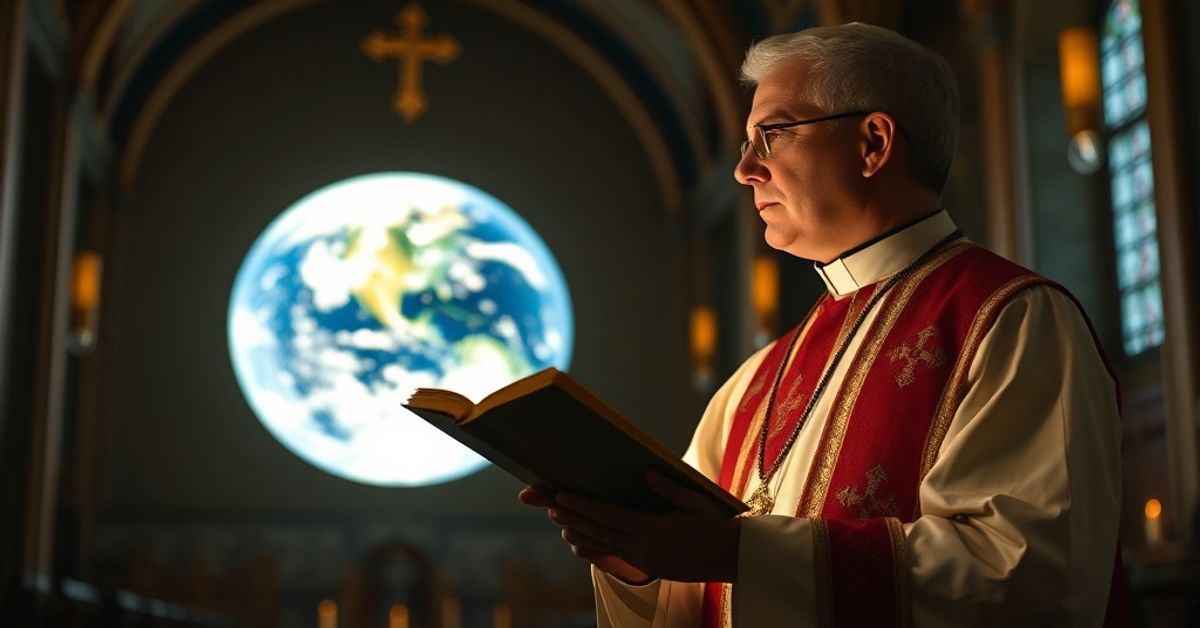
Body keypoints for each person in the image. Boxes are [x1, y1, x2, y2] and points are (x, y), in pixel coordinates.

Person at [520, 22, 1124, 627]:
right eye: (744, 144)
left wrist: (739, 551)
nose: (744, 170)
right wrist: (639, 562)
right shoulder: (756, 378)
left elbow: (1026, 577)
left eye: (772, 135)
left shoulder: (1010, 320)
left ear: (874, 143)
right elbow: (695, 591)